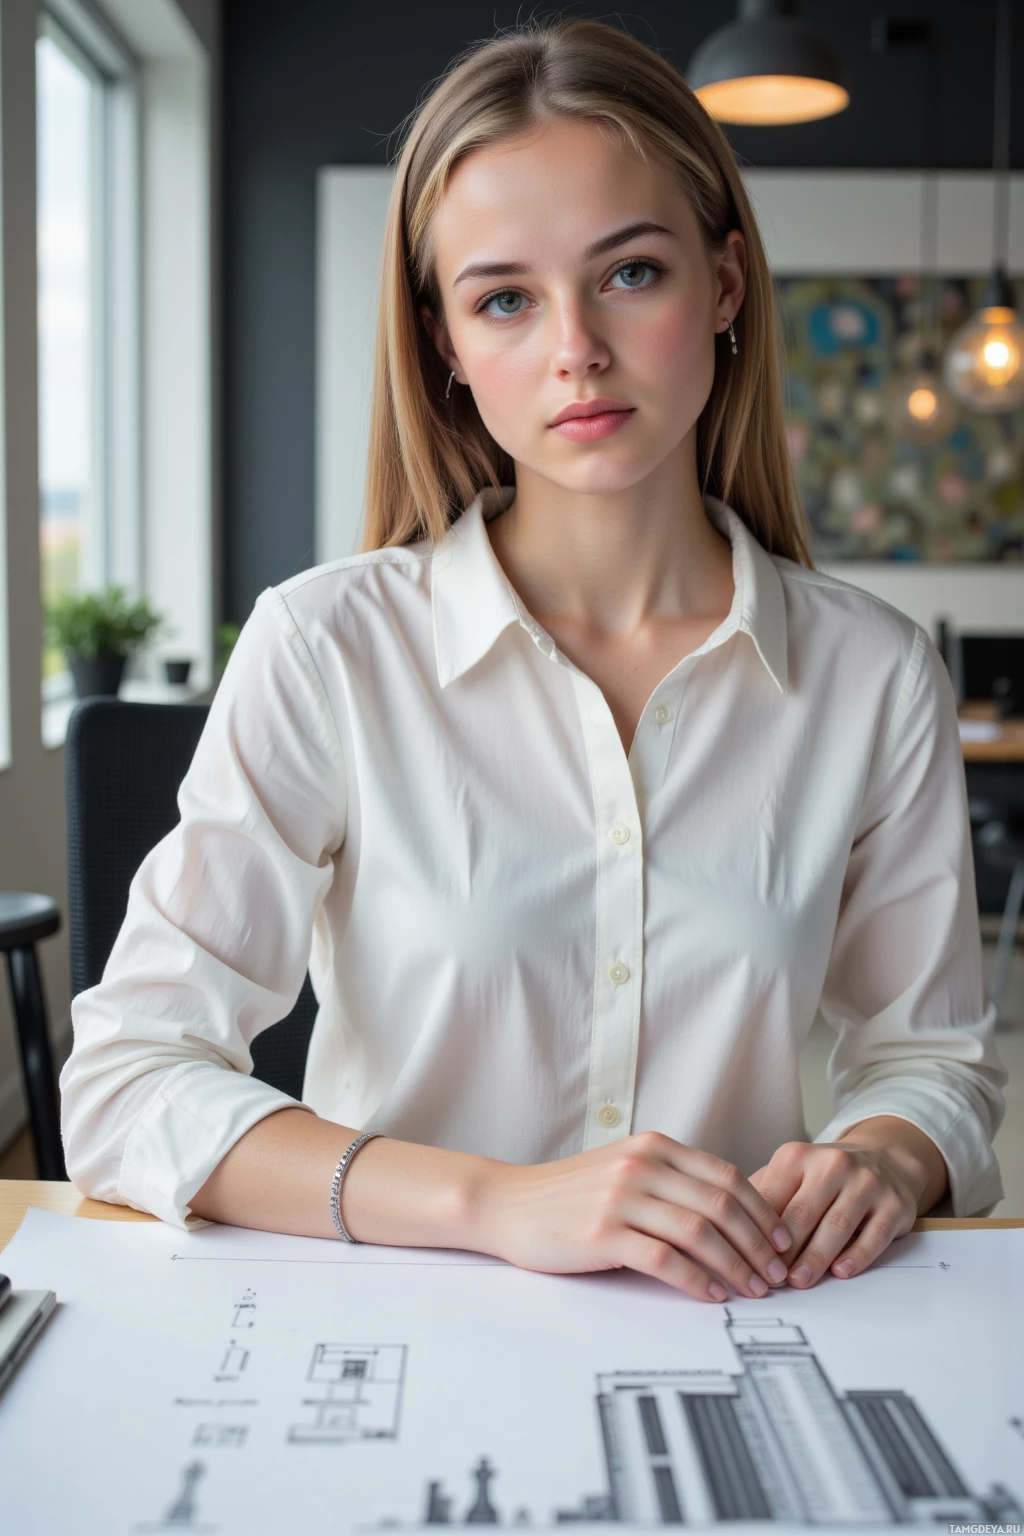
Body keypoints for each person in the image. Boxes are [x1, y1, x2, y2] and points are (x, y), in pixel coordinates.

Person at [60, 16, 1007, 1305]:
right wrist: (495, 1204)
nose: (576, 349)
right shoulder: (328, 645)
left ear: (724, 284)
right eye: (504, 298)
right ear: (447, 345)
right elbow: (127, 1082)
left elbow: (933, 1059)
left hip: (736, 1327)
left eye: (629, 274)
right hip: (398, 1326)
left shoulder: (874, 676)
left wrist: (889, 1158)